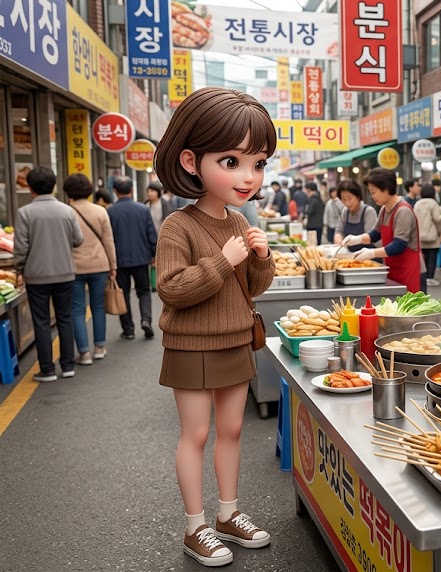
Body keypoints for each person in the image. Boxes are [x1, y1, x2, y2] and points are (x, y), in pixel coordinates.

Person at [153, 87, 276, 567]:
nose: (248, 177)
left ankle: (228, 514)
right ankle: (195, 526)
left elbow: (255, 286)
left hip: (235, 340)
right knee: (196, 435)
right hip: (191, 346)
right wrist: (224, 262)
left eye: (258, 163)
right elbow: (172, 289)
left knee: (231, 430)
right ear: (190, 160)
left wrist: (262, 257)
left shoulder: (239, 219)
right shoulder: (177, 227)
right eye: (231, 161)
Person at [13, 166, 83, 381]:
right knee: (64, 318)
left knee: (42, 321)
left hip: (36, 276)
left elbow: (21, 247)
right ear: (53, 186)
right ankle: (68, 366)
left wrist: (18, 269)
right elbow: (78, 240)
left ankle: (47, 369)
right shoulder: (67, 210)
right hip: (64, 273)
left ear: (31, 188)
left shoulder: (25, 213)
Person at [339, 168, 422, 293]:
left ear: (386, 189)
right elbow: (375, 234)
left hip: (407, 271)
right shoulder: (384, 209)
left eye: (374, 192)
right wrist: (356, 239)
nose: (372, 197)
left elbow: (398, 245)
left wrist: (371, 253)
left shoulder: (403, 211)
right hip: (391, 269)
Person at [65, 174, 117, 365]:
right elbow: (108, 241)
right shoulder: (100, 211)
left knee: (77, 309)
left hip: (74, 267)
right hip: (99, 265)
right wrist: (113, 266)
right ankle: (100, 348)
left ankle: (84, 353)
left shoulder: (66, 212)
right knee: (98, 307)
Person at [108, 176, 158, 340]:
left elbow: (108, 239)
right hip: (141, 258)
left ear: (115, 192)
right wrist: (153, 254)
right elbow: (151, 234)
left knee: (123, 293)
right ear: (132, 190)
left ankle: (128, 329)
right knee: (143, 292)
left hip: (119, 260)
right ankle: (146, 320)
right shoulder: (143, 209)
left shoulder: (110, 211)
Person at [414, 183, 441, 289]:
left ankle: (424, 276)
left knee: (423, 257)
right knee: (432, 257)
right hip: (432, 235)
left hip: (420, 236)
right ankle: (430, 277)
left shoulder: (417, 204)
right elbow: (437, 219)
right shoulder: (433, 203)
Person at [335, 179, 377, 252]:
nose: (347, 203)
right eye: (344, 199)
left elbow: (371, 237)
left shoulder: (368, 211)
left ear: (358, 196)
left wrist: (356, 240)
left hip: (368, 256)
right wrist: (340, 243)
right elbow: (339, 231)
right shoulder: (345, 212)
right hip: (350, 256)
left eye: (349, 198)